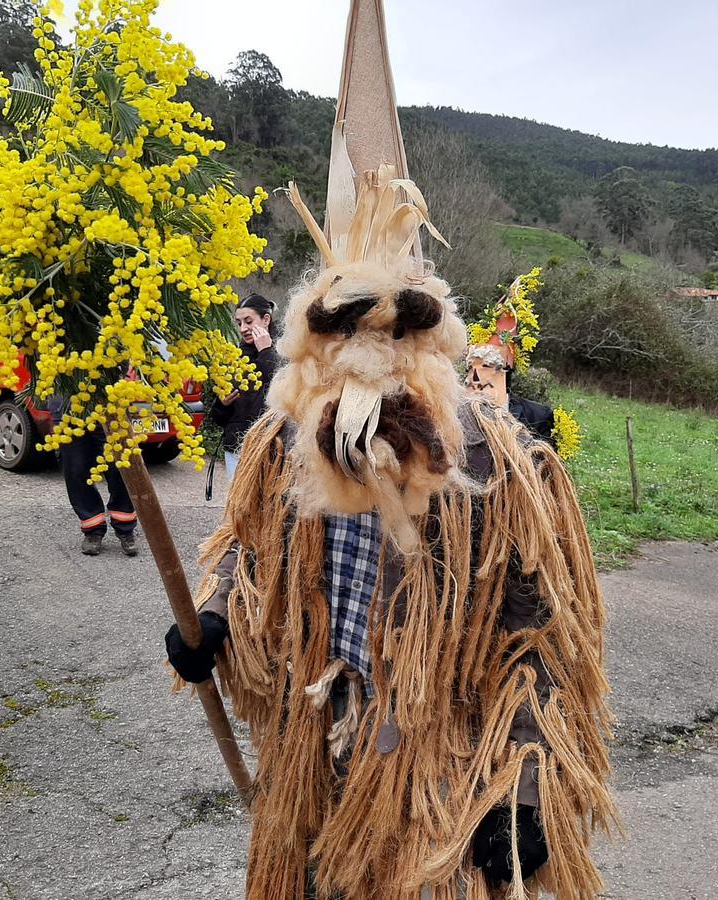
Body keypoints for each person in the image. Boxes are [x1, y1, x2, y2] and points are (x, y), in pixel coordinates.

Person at [165, 168, 616, 899]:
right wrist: (211, 617)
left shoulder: (492, 461)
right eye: (345, 331)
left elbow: (538, 634)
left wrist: (522, 790)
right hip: (311, 740)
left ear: (428, 339)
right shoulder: (286, 441)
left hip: (433, 761)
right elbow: (248, 549)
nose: (368, 355)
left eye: (393, 333)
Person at [49, 394, 139, 557]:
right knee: (75, 471)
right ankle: (93, 529)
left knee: (119, 469)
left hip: (108, 406)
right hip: (66, 409)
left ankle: (125, 529)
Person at [210, 293, 278, 478]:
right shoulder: (235, 358)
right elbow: (219, 418)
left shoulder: (286, 351)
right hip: (236, 449)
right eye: (239, 323)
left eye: (248, 321)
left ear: (266, 319)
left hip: (271, 450)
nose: (243, 328)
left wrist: (266, 351)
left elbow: (282, 389)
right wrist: (222, 404)